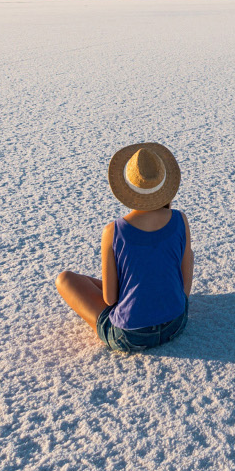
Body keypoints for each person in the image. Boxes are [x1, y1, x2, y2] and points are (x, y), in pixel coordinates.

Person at [55, 142, 193, 353]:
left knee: (65, 279)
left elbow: (110, 299)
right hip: (176, 322)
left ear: (127, 188)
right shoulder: (180, 220)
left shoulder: (114, 231)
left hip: (130, 336)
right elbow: (185, 286)